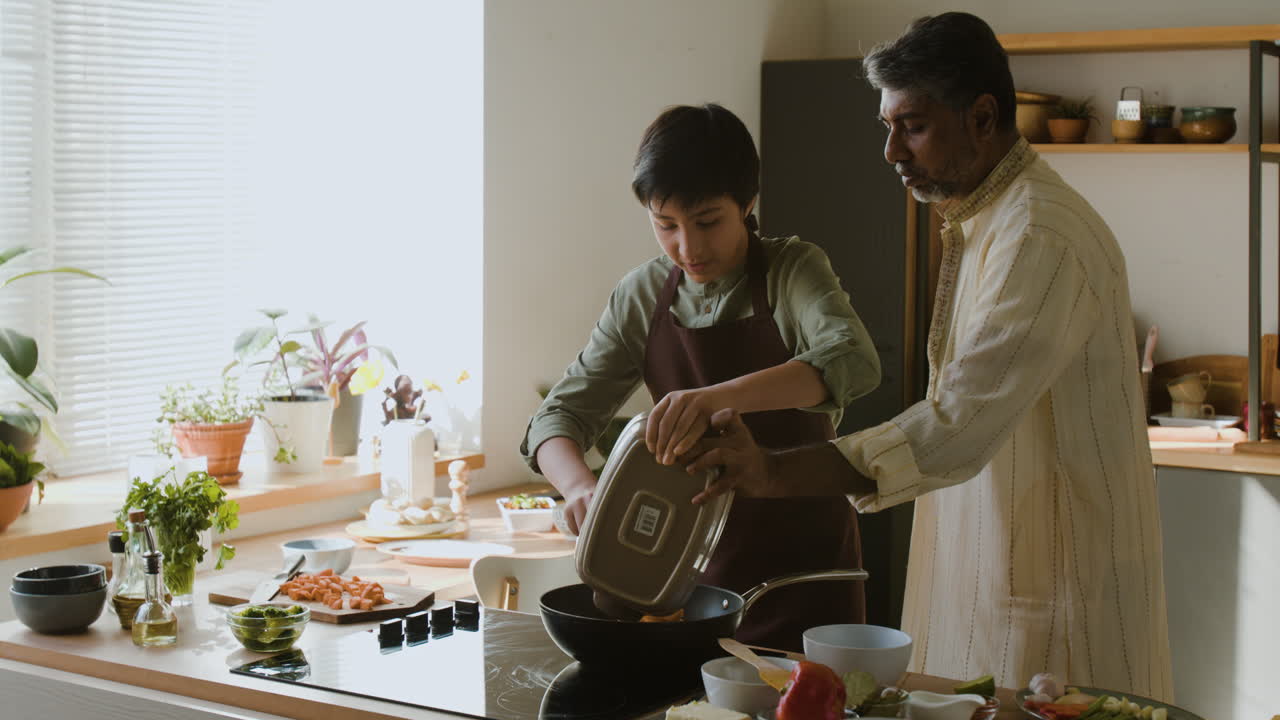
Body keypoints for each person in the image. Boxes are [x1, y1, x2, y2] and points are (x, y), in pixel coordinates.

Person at [685, 14, 1173, 698]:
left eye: (910, 126)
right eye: (887, 127)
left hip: (1058, 600)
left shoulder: (1038, 234)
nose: (890, 151)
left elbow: (956, 422)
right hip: (984, 578)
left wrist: (769, 471)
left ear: (981, 118)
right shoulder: (985, 218)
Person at [521, 103, 882, 649]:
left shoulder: (793, 270)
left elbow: (852, 360)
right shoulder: (641, 295)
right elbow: (557, 417)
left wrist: (710, 399)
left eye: (708, 221)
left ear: (748, 202)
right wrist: (580, 488)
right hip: (686, 586)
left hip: (806, 580)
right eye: (665, 225)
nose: (687, 248)